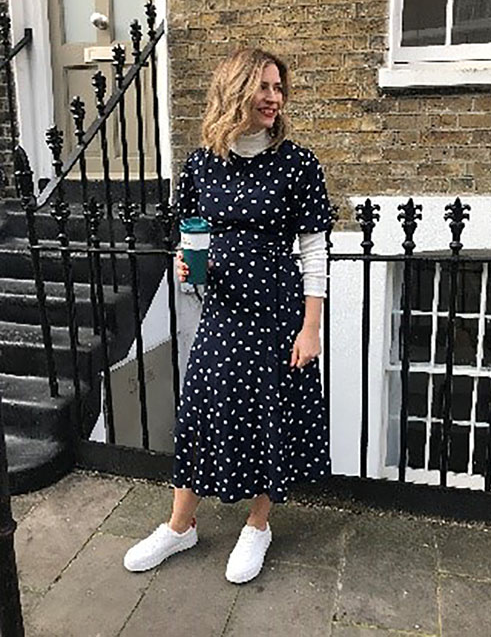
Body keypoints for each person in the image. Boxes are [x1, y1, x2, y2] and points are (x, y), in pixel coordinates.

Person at [123, 47, 333, 584]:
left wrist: (311, 327)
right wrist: (185, 260)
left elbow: (313, 251)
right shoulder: (201, 164)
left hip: (278, 312)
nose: (273, 98)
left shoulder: (297, 162)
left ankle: (258, 525)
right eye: (263, 87)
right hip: (223, 312)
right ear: (235, 89)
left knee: (270, 415)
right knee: (201, 411)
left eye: (279, 88)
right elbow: (191, 233)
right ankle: (180, 525)